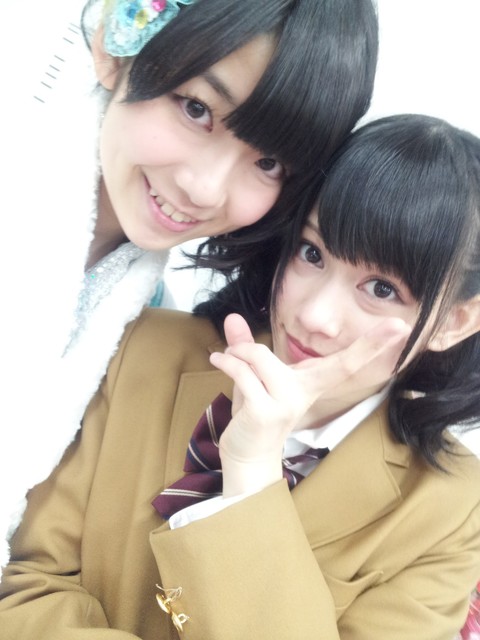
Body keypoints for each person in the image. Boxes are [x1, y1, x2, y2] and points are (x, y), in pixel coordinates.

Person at [2, 113, 480, 639]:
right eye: (312, 253)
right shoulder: (142, 348)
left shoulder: (450, 507)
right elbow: (24, 585)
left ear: (455, 321)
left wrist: (251, 474)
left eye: (382, 290)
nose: (315, 315)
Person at [0, 0, 379, 570]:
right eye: (196, 108)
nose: (205, 188)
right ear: (112, 45)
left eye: (269, 162)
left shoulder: (144, 317)